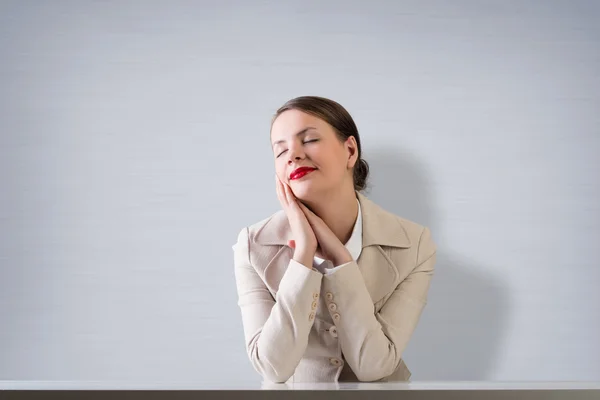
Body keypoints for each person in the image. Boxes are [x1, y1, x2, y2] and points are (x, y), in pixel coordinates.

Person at [232, 96, 437, 383]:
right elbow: (272, 368)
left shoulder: (415, 245)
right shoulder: (253, 246)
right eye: (280, 151)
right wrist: (303, 253)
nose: (293, 155)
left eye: (310, 139)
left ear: (350, 151)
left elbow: (374, 366)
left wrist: (341, 260)